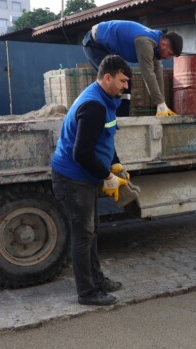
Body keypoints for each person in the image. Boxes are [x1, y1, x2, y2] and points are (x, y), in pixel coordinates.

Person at [51, 55, 133, 306]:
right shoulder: (93, 105)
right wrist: (107, 176)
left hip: (84, 176)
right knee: (83, 234)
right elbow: (82, 153)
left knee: (92, 230)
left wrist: (115, 163)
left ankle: (96, 279)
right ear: (107, 77)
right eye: (122, 81)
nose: (125, 87)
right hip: (73, 179)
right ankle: (87, 292)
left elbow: (106, 137)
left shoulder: (106, 98)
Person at [82, 20, 183, 117]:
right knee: (113, 81)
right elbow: (148, 74)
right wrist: (159, 102)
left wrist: (162, 104)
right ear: (164, 44)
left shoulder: (156, 44)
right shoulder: (145, 43)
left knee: (125, 81)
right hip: (94, 44)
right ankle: (103, 115)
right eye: (169, 54)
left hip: (108, 48)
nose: (167, 58)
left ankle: (122, 118)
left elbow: (158, 75)